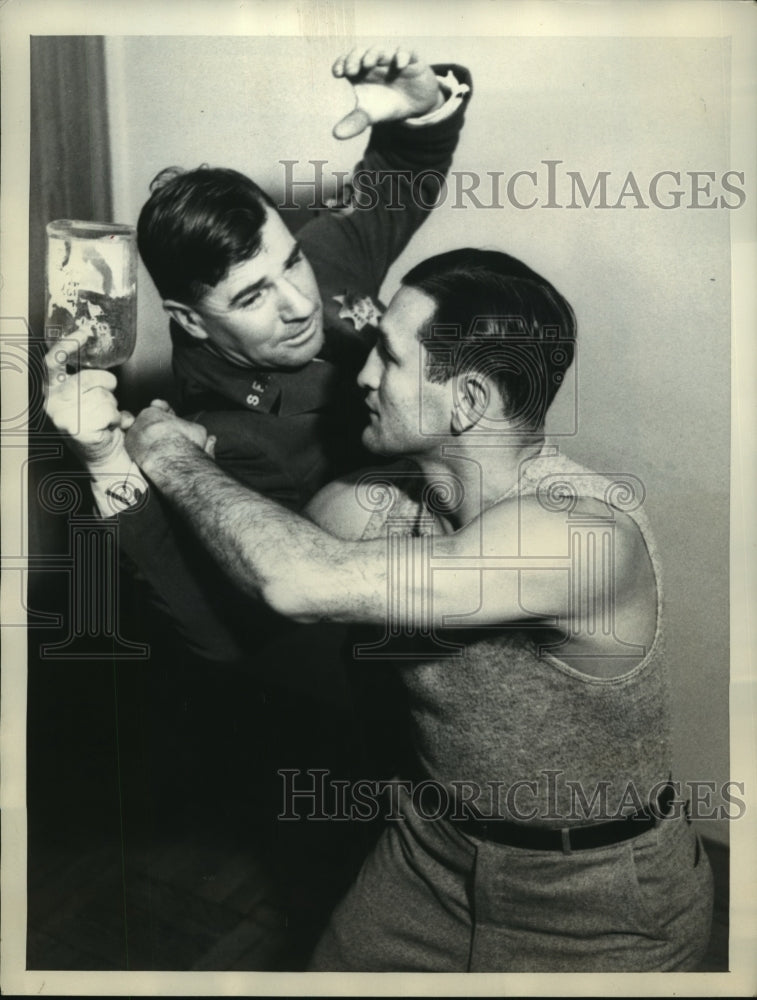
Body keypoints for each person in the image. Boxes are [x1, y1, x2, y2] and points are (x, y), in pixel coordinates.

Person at [48, 247, 714, 972]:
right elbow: (229, 620)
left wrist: (175, 461)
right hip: (425, 857)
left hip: (599, 903)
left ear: (465, 402)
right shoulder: (375, 508)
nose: (361, 376)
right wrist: (108, 460)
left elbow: (297, 580)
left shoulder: (578, 534)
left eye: (389, 360)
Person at [100, 46, 473, 665]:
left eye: (290, 261)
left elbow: (398, 179)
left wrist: (419, 110)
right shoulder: (227, 441)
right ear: (191, 320)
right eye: (251, 297)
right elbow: (238, 628)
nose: (300, 303)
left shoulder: (319, 261)